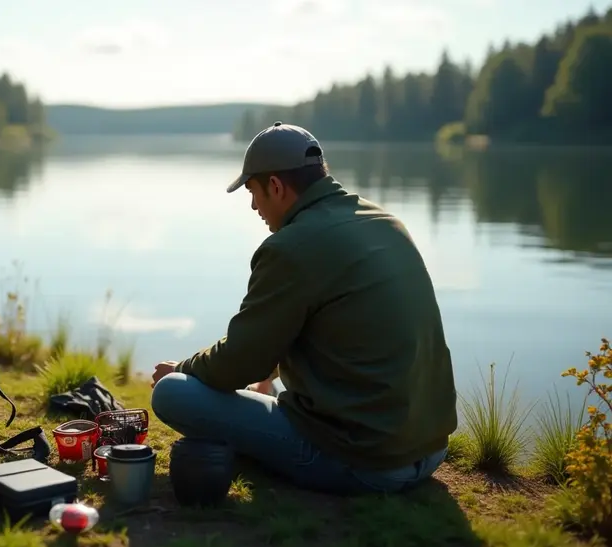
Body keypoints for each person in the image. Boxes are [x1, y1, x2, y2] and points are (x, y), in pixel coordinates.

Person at [149, 122, 457, 495]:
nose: (253, 206)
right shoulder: (384, 222)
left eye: (253, 191)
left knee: (172, 392)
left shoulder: (291, 247)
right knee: (267, 393)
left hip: (365, 463)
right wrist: (267, 374)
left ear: (276, 186)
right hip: (429, 449)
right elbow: (329, 326)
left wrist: (182, 369)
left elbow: (238, 364)